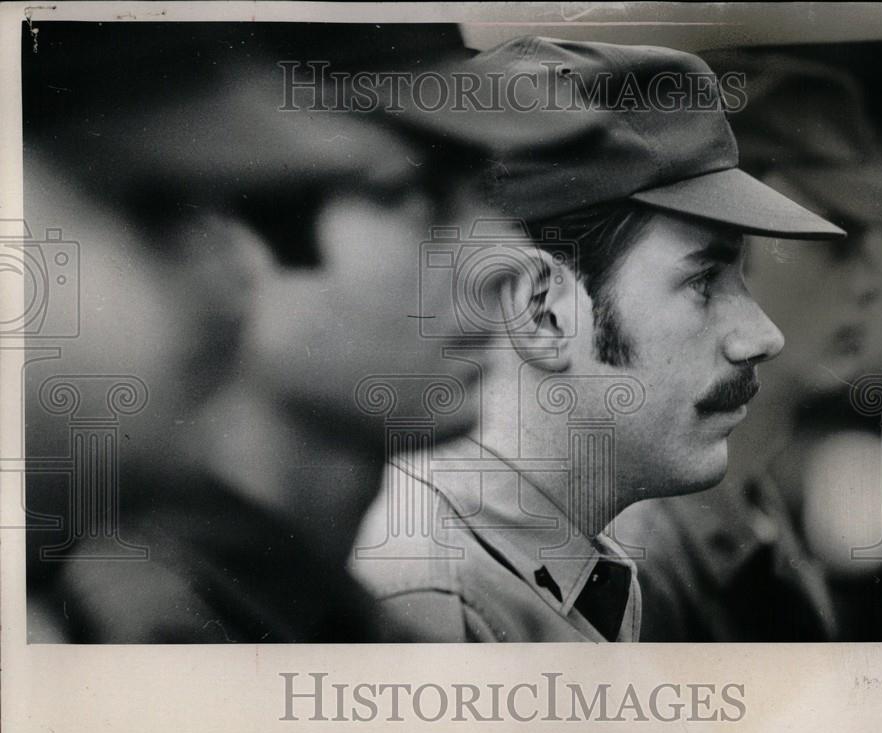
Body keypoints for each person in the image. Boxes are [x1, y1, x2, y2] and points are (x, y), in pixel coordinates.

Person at [23, 23, 591, 642]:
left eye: (481, 188)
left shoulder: (304, 616)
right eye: (408, 191)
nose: (506, 253)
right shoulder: (134, 635)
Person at [349, 37, 845, 642]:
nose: (762, 336)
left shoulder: (567, 573)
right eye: (703, 281)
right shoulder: (439, 604)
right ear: (543, 312)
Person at [609, 51, 882, 641]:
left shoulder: (758, 506)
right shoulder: (633, 556)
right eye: (834, 239)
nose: (872, 282)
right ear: (719, 242)